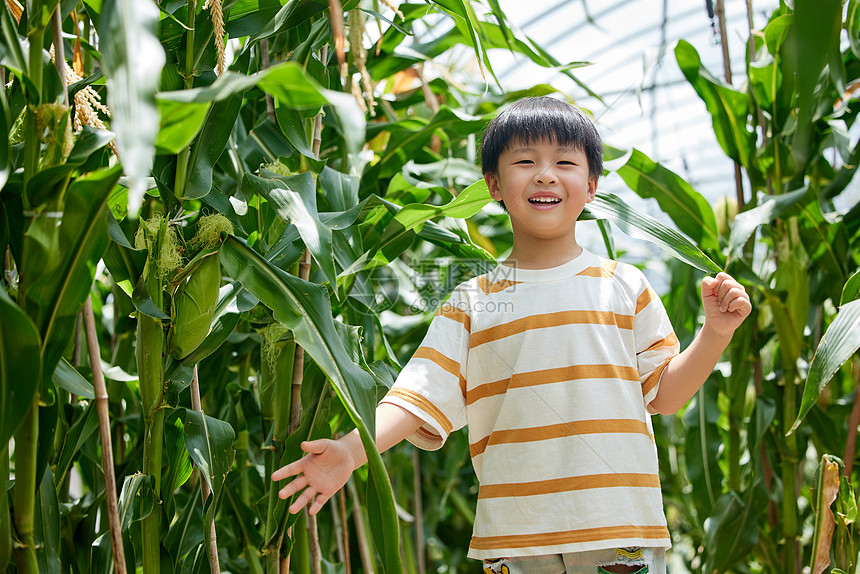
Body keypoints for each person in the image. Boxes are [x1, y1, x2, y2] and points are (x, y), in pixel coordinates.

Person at [272, 96, 752, 574]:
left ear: (591, 185)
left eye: (564, 162)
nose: (545, 175)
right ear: (494, 184)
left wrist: (715, 332)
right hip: (514, 539)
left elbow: (664, 395)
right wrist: (351, 453)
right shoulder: (473, 300)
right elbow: (417, 395)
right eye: (526, 162)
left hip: (618, 531)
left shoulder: (625, 285)